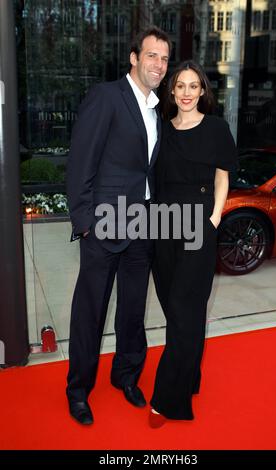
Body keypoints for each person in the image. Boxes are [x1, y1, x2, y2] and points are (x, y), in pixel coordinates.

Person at [66, 26, 171, 425]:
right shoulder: (107, 97)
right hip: (104, 224)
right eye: (151, 56)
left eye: (164, 58)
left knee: (132, 309)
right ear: (133, 57)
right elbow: (80, 163)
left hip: (142, 223)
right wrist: (85, 221)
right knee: (89, 311)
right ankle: (78, 390)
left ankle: (125, 376)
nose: (158, 64)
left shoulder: (155, 109)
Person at [149, 61, 238, 427]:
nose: (186, 93)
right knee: (175, 307)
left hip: (199, 222)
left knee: (186, 309)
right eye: (180, 86)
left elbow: (222, 178)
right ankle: (190, 375)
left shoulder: (217, 129)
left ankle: (167, 399)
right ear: (172, 91)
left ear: (203, 91)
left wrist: (214, 219)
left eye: (193, 86)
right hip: (161, 224)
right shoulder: (162, 130)